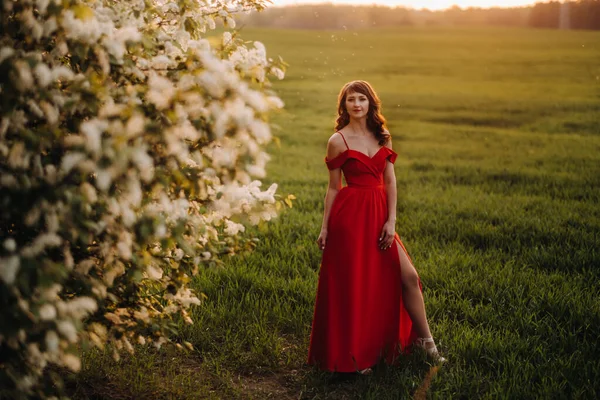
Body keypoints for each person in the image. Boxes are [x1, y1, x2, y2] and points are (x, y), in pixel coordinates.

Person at [307, 80, 446, 375]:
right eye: (350, 100)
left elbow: (391, 181)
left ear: (371, 104)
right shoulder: (337, 141)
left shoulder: (383, 136)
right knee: (356, 286)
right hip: (350, 219)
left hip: (379, 214)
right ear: (343, 106)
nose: (357, 104)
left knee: (408, 276)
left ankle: (426, 343)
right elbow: (334, 188)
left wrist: (391, 220)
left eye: (362, 99)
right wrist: (325, 228)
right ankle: (356, 355)